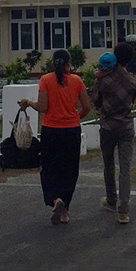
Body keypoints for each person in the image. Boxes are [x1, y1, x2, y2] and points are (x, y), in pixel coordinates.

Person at [20, 49, 92, 225]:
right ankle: (65, 210)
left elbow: (43, 107)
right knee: (69, 170)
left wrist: (28, 103)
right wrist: (75, 117)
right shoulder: (77, 81)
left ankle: (55, 199)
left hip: (51, 131)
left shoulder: (46, 80)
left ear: (53, 64)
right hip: (71, 131)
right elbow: (87, 107)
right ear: (69, 64)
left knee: (50, 169)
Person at [92, 43, 136, 225]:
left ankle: (111, 199)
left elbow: (96, 101)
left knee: (109, 164)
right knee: (125, 168)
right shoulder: (133, 81)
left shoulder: (102, 79)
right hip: (126, 127)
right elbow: (132, 102)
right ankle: (124, 211)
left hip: (107, 126)